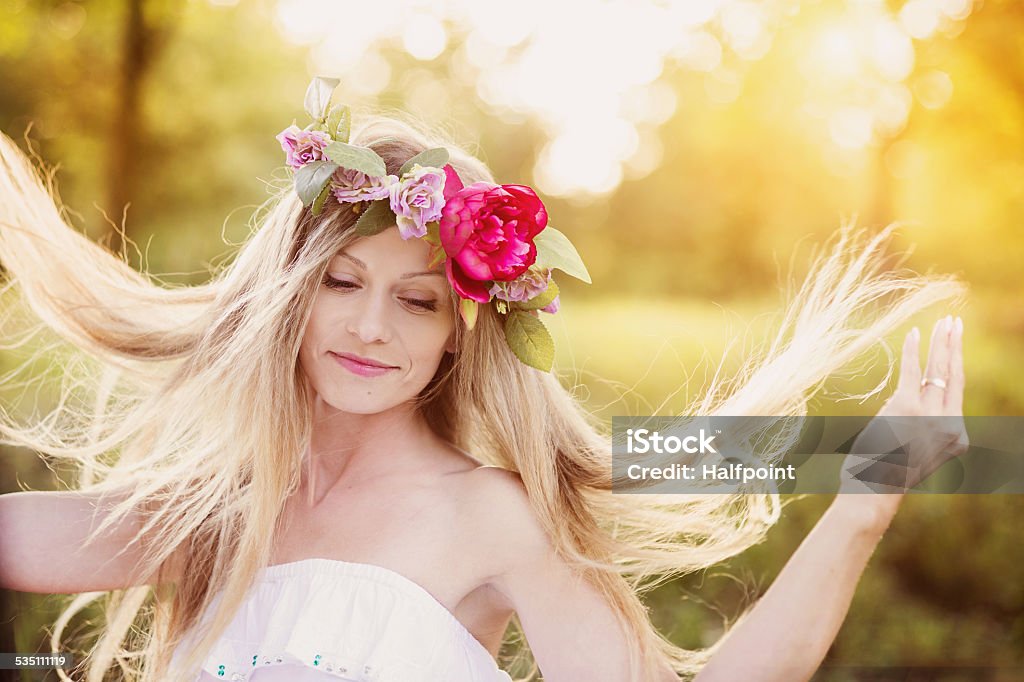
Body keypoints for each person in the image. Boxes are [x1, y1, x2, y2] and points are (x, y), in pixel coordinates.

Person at [0, 78, 969, 682]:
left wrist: (859, 508)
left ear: (458, 334)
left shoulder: (493, 518)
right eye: (341, 282)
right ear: (289, 294)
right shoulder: (222, 509)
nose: (371, 326)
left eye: (417, 301)